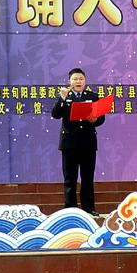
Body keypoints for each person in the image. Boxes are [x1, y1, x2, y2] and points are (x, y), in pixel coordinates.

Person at [51, 68, 105, 217]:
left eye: (81, 79)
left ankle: (89, 208)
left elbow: (101, 118)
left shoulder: (93, 97)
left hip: (88, 143)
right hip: (69, 143)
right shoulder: (64, 96)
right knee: (70, 177)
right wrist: (62, 99)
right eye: (75, 79)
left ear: (85, 81)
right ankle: (71, 208)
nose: (78, 82)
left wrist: (95, 120)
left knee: (87, 177)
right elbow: (55, 114)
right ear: (69, 81)